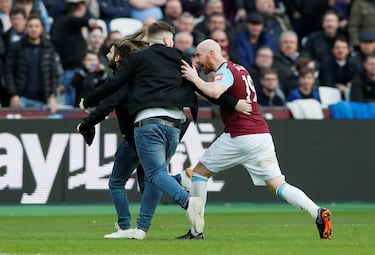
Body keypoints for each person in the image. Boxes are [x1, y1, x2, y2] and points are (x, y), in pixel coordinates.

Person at [80, 21, 252, 236]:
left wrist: (87, 102)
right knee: (155, 176)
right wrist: (232, 103)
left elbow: (112, 87)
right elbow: (198, 86)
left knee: (151, 174)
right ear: (166, 40)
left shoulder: (136, 60)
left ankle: (187, 201)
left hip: (148, 123)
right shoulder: (179, 58)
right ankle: (142, 228)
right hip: (175, 125)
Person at [179, 39, 332, 240]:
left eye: (199, 56)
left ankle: (196, 231)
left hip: (240, 136)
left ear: (212, 53)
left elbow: (215, 91)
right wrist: (196, 88)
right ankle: (318, 213)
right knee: (278, 184)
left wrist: (193, 78)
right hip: (261, 136)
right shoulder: (240, 70)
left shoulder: (225, 71)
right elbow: (217, 96)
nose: (197, 61)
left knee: (198, 174)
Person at [77, 37, 192, 240]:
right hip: (165, 129)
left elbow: (106, 105)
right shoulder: (146, 75)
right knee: (150, 183)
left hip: (137, 137)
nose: (107, 56)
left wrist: (85, 123)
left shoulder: (125, 78)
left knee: (117, 181)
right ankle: (143, 227)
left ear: (119, 57)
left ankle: (125, 226)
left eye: (110, 52)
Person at [4, 14, 58, 113]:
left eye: (36, 26)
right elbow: (8, 72)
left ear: (42, 28)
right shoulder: (16, 47)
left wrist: (52, 95)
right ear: (26, 28)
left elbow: (53, 74)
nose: (33, 29)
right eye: (30, 26)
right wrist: (13, 94)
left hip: (43, 100)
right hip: (21, 99)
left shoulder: (48, 47)